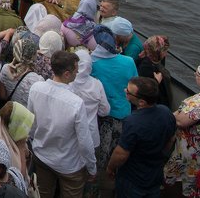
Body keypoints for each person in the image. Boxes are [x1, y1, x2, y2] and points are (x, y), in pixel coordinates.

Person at [27, 50, 97, 197]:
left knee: (42, 194)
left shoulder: (36, 89)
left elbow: (31, 124)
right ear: (67, 74)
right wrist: (92, 168)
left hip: (42, 155)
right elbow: (84, 142)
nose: (77, 74)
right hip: (69, 165)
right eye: (75, 72)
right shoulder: (76, 103)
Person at [106, 76, 176, 197]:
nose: (124, 91)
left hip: (132, 179)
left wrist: (110, 168)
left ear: (142, 102)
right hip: (155, 174)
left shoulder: (132, 122)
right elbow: (171, 139)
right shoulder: (166, 112)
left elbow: (121, 154)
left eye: (128, 91)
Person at [90, 25, 138, 198]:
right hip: (124, 115)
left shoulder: (93, 64)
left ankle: (96, 187)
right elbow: (134, 84)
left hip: (102, 117)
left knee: (100, 154)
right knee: (119, 151)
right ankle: (113, 184)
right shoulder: (129, 62)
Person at [164, 64, 200, 197]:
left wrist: (172, 115)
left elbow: (181, 121)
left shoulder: (198, 103)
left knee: (175, 176)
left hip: (189, 151)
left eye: (196, 74)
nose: (194, 76)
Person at [0, 101, 35, 189]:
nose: (26, 132)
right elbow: (18, 178)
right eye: (23, 126)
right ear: (15, 124)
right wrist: (21, 147)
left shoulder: (4, 126)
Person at [70, 48, 109, 148]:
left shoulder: (67, 82)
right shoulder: (97, 84)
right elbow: (105, 110)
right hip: (91, 134)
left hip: (70, 135)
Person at [0, 38, 43, 108]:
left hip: (12, 112)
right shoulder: (38, 80)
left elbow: (3, 96)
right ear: (33, 56)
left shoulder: (5, 69)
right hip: (27, 116)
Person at [136, 36, 173, 109]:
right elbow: (143, 90)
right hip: (155, 104)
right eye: (165, 51)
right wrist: (156, 82)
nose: (166, 54)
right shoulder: (146, 67)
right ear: (157, 53)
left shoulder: (156, 59)